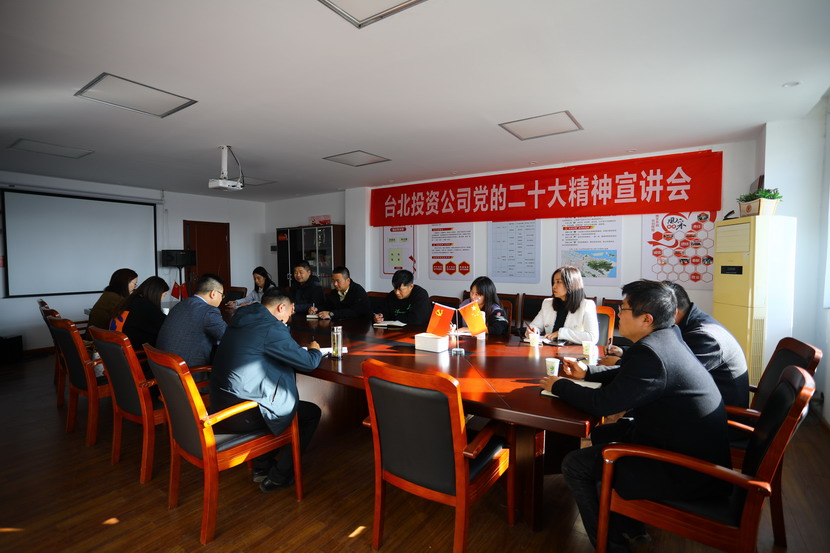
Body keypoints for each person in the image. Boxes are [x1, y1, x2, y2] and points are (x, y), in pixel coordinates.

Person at [540, 280, 731, 552]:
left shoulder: (652, 353)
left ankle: (612, 545)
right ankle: (627, 523)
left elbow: (602, 404)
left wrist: (559, 385)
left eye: (624, 309)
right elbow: (628, 375)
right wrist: (588, 372)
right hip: (679, 445)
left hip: (688, 471)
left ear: (646, 319)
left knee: (575, 464)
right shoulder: (667, 337)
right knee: (603, 433)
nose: (619, 314)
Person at [210, 289, 323, 492]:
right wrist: (314, 349)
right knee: (310, 413)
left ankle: (261, 467)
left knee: (276, 398)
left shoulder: (243, 317)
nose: (289, 318)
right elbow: (308, 363)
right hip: (242, 414)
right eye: (290, 312)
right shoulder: (270, 327)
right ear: (281, 307)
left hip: (220, 404)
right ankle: (279, 477)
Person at [156, 274, 227, 373]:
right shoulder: (208, 311)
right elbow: (228, 337)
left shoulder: (180, 304)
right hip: (187, 375)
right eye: (222, 295)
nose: (222, 299)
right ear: (213, 293)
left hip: (164, 372)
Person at [526, 266, 599, 344]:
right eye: (553, 282)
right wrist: (533, 331)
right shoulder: (547, 303)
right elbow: (535, 326)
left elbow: (592, 337)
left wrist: (560, 333)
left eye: (558, 282)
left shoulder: (587, 305)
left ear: (571, 284)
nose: (554, 286)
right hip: (549, 349)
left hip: (573, 350)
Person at [115, 276, 169, 351]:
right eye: (164, 295)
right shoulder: (144, 305)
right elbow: (167, 326)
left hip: (118, 350)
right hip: (136, 353)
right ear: (157, 294)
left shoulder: (129, 301)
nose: (162, 299)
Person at [87, 268, 138, 333]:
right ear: (126, 283)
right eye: (135, 284)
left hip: (93, 335)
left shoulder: (108, 294)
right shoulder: (118, 299)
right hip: (103, 337)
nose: (135, 287)